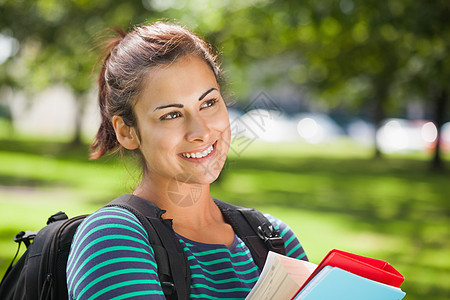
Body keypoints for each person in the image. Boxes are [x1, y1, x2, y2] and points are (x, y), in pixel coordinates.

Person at [66, 21, 307, 299]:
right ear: (127, 132)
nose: (201, 131)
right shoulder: (111, 239)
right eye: (171, 115)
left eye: (208, 103)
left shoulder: (276, 239)